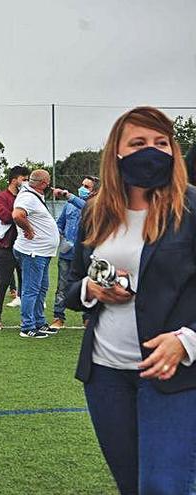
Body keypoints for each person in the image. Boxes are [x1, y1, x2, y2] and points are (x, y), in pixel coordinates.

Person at [65, 106, 196, 494]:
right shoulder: (97, 209)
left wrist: (186, 341)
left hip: (173, 374)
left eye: (161, 143)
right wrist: (92, 291)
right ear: (116, 153)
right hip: (105, 374)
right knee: (131, 485)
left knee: (163, 485)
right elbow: (73, 284)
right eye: (138, 143)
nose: (151, 151)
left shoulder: (191, 208)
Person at [12, 169, 60, 338]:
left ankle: (39, 322)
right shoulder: (27, 197)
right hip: (33, 252)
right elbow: (17, 215)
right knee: (31, 290)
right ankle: (27, 327)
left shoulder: (32, 195)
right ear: (43, 184)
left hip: (42, 252)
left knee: (41, 288)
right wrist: (29, 229)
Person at [49, 176, 98, 330]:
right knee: (62, 286)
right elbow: (60, 224)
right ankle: (58, 317)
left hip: (87, 255)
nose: (82, 188)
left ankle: (88, 318)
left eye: (87, 186)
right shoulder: (68, 206)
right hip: (67, 253)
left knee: (89, 286)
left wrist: (68, 195)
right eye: (82, 184)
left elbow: (85, 206)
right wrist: (60, 236)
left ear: (94, 191)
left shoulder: (95, 206)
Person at [0, 165, 30, 330]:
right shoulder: (0, 197)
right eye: (24, 179)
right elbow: (5, 216)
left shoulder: (27, 196)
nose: (26, 182)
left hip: (25, 246)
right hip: (5, 247)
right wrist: (20, 215)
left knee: (26, 283)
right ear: (15, 180)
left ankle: (26, 319)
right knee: (2, 283)